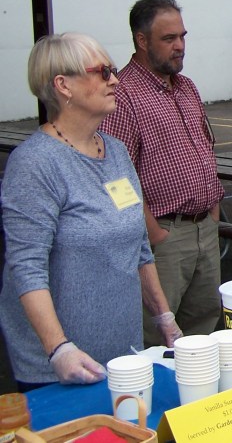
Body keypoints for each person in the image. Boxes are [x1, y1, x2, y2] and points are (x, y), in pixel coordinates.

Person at [0, 33, 181, 391]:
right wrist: (58, 349)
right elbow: (26, 266)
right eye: (103, 71)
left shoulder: (115, 151)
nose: (115, 80)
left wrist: (165, 319)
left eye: (112, 70)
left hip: (123, 356)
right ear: (63, 85)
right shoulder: (35, 164)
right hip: (60, 370)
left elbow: (140, 247)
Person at [100, 0, 224, 345]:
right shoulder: (122, 95)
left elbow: (205, 148)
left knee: (203, 329)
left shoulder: (186, 88)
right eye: (169, 39)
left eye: (183, 36)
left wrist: (212, 211)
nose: (180, 46)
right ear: (142, 41)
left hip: (205, 229)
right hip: (165, 237)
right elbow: (115, 179)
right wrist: (154, 232)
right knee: (158, 335)